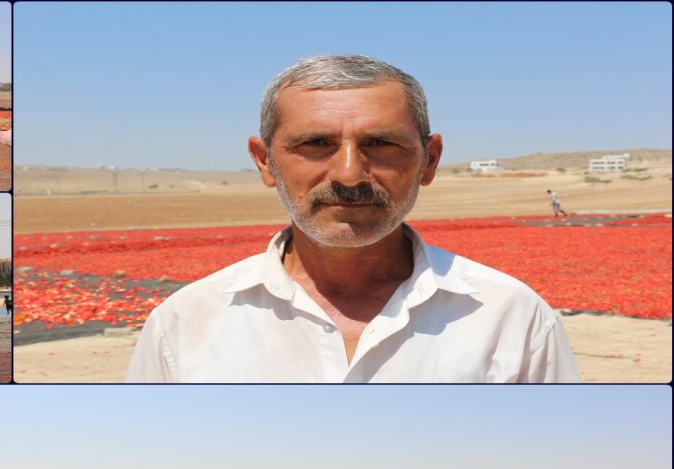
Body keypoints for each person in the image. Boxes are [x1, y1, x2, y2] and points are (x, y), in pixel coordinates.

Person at [127, 54, 580, 383]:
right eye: (316, 144)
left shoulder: (510, 316)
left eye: (381, 144)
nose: (349, 174)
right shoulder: (185, 322)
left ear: (429, 161)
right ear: (265, 162)